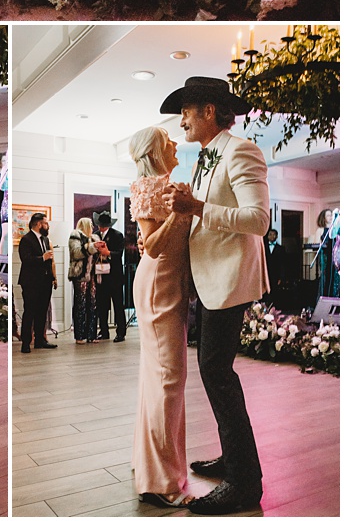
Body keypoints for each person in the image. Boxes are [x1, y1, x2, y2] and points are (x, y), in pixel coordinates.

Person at [161, 76, 269, 516]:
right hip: (209, 281)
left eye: (186, 109)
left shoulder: (241, 150)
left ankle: (245, 484)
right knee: (214, 374)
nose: (180, 118)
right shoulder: (204, 157)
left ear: (209, 111)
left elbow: (258, 220)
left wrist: (198, 208)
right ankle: (233, 458)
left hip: (229, 282)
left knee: (217, 373)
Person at [128, 125, 192, 508]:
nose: (175, 144)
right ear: (155, 150)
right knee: (169, 378)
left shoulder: (166, 185)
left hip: (169, 284)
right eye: (168, 141)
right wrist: (179, 214)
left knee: (160, 379)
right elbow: (151, 246)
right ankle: (161, 481)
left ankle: (150, 465)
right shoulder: (150, 186)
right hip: (159, 285)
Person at [18, 212, 55, 353]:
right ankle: (26, 343)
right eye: (46, 223)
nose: (48, 226)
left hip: (45, 281)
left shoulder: (45, 240)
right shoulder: (26, 239)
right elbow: (26, 260)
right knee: (30, 312)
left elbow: (48, 260)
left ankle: (40, 340)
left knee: (42, 312)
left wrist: (52, 277)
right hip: (31, 282)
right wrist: (42, 258)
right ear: (39, 224)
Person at [94, 208, 127, 342]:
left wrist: (107, 253)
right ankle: (104, 330)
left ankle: (121, 332)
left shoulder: (117, 235)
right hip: (101, 275)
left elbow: (119, 254)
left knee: (118, 305)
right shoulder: (95, 235)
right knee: (102, 305)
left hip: (115, 276)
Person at [67, 216, 99, 343]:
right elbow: (75, 252)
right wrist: (91, 247)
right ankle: (80, 335)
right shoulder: (75, 235)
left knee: (93, 304)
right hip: (80, 274)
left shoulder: (94, 238)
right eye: (90, 225)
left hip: (92, 275)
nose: (92, 227)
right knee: (80, 304)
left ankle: (92, 334)